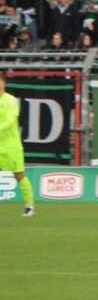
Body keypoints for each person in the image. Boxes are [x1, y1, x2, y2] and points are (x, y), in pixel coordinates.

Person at [0, 74, 35, 216]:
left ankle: (29, 205)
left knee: (19, 175)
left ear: (4, 84)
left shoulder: (11, 100)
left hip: (10, 146)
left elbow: (10, 120)